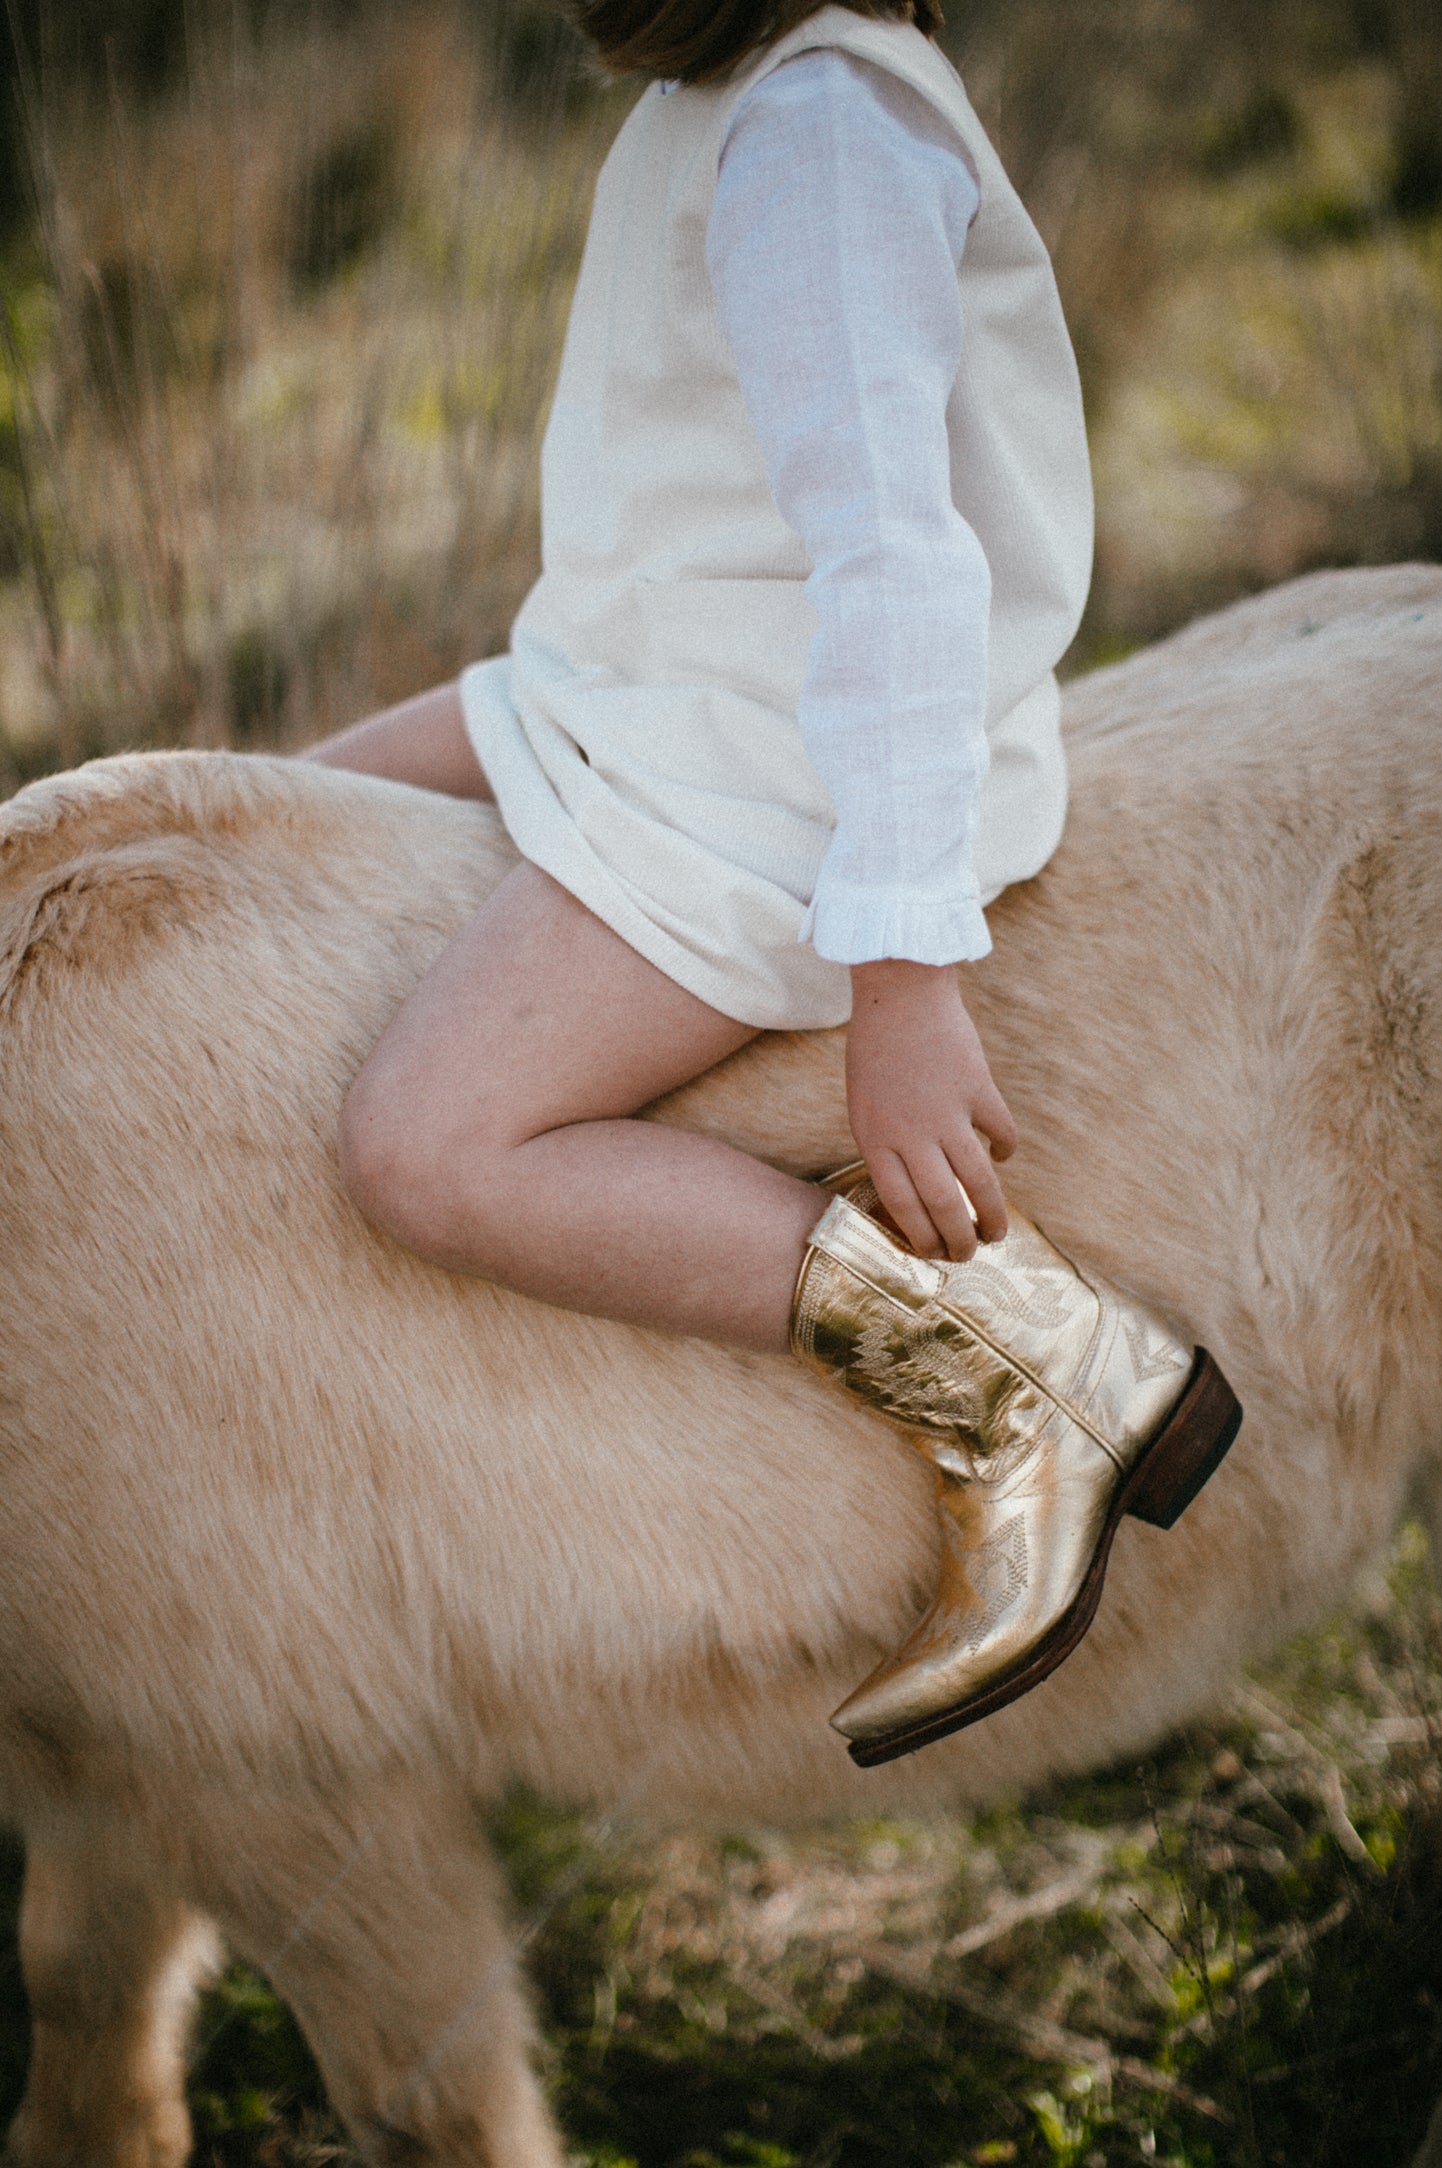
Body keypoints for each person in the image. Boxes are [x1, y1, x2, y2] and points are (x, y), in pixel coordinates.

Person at [304, 0, 1240, 1765]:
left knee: (427, 1147)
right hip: (641, 680)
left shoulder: (815, 124)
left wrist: (903, 969)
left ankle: (1018, 1373)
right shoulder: (727, 92)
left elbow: (894, 559)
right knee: (262, 806)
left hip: (771, 776)